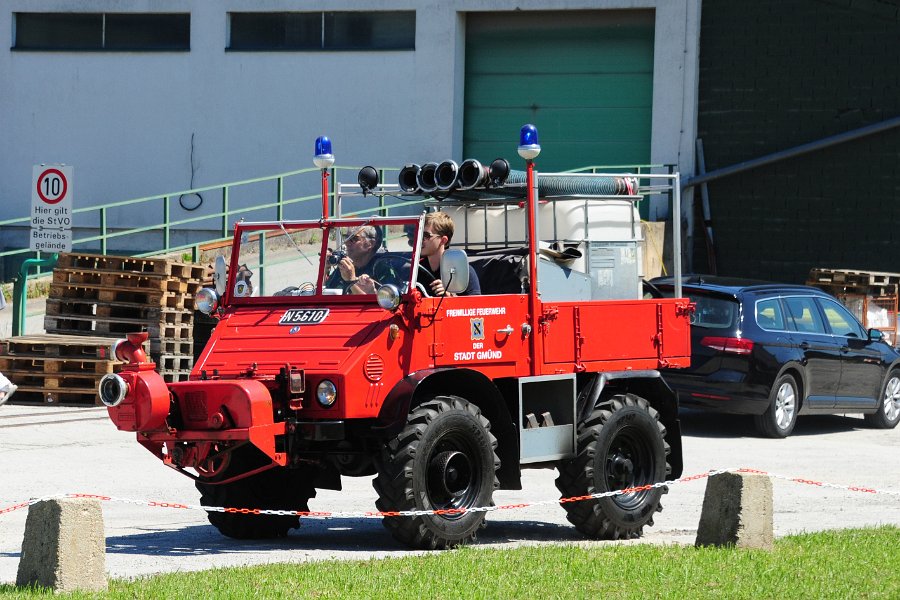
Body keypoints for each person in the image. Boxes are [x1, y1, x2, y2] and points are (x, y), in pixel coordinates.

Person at [416, 211, 480, 296]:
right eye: (419, 234)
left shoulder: (464, 271)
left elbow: (475, 306)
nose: (419, 240)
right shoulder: (416, 270)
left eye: (426, 236)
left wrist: (450, 296)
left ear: (443, 240)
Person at [325, 225, 386, 294]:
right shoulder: (345, 267)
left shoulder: (383, 269)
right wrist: (325, 270)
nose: (346, 243)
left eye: (353, 239)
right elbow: (324, 294)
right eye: (346, 237)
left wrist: (351, 281)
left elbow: (387, 302)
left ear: (370, 243)